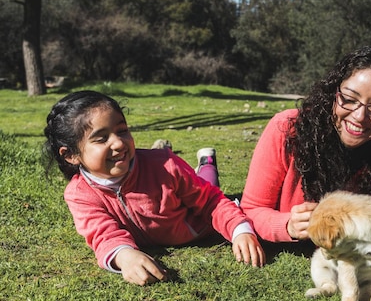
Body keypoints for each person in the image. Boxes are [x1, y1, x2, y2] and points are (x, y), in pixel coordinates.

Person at [44, 91, 265, 286]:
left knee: (208, 186)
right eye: (101, 139)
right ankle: (204, 163)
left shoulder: (165, 165)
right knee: (201, 181)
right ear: (71, 155)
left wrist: (240, 230)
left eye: (122, 131)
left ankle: (207, 163)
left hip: (197, 226)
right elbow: (102, 234)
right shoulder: (79, 194)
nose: (119, 143)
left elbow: (211, 202)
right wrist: (125, 256)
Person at [240, 45, 371, 242]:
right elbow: (250, 209)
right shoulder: (288, 130)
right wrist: (287, 225)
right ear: (333, 92)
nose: (359, 117)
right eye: (349, 99)